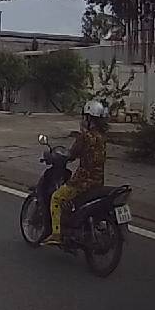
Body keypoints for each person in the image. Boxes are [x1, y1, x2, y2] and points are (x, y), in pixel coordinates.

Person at [46, 100, 109, 246]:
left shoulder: (85, 137)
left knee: (56, 198)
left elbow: (72, 154)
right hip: (98, 181)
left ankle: (56, 234)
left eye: (85, 117)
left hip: (82, 182)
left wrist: (64, 156)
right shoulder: (102, 137)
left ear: (89, 118)